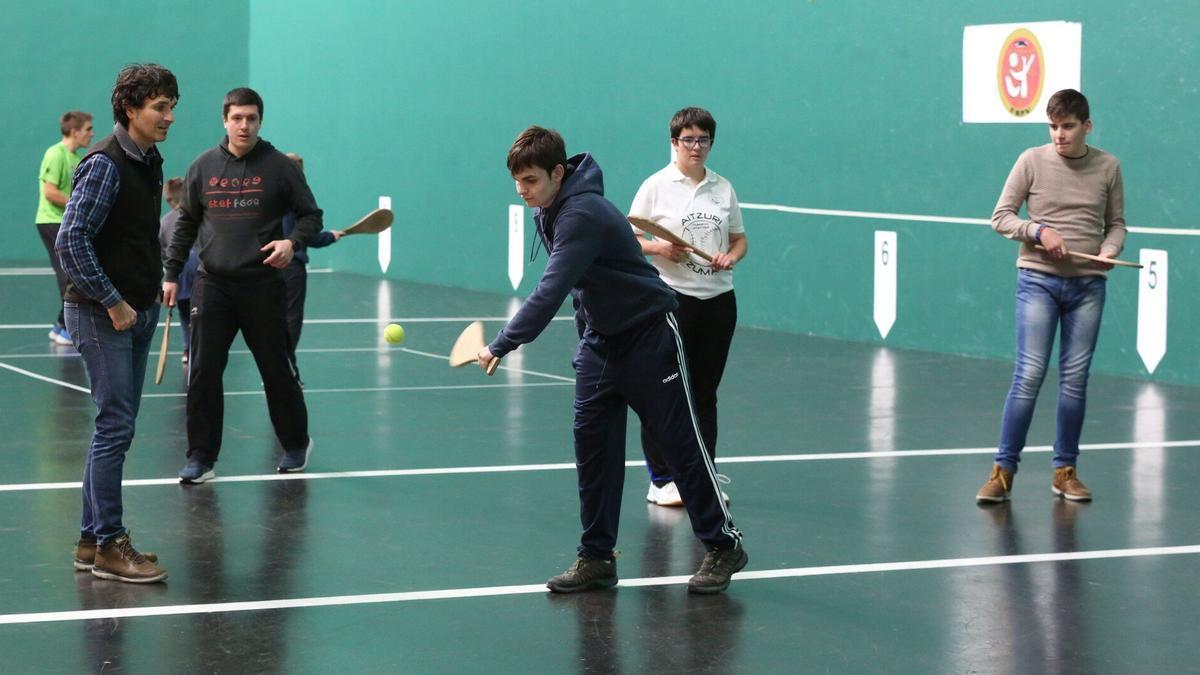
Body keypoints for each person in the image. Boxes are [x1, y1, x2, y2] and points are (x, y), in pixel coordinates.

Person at [478, 126, 747, 594]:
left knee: (680, 446)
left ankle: (724, 546)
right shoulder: (552, 207)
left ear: (558, 173)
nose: (523, 192)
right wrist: (588, 345)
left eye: (531, 181)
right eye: (517, 182)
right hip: (601, 344)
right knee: (593, 451)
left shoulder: (581, 213)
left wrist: (502, 342)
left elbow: (552, 289)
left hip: (649, 338)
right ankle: (597, 558)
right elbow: (585, 287)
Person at [56, 63, 178, 583]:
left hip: (138, 309)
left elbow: (132, 235)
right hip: (101, 313)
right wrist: (114, 301)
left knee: (116, 428)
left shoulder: (148, 160)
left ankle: (90, 540)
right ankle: (109, 543)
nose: (168, 116)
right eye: (159, 107)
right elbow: (70, 240)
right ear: (130, 109)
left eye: (172, 106)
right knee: (114, 427)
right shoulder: (104, 163)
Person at [164, 87, 323, 483]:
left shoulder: (279, 167)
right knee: (202, 372)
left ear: (260, 121)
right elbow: (185, 223)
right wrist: (170, 273)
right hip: (212, 286)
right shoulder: (202, 167)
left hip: (263, 286)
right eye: (237, 118)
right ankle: (201, 457)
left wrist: (292, 242)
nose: (244, 125)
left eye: (251, 118)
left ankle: (295, 443)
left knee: (276, 370)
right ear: (225, 120)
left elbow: (311, 216)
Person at [977, 89, 1126, 504]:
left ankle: (1065, 472)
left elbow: (1116, 225)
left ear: (1087, 126)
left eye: (1068, 127)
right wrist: (1039, 231)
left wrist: (1110, 250)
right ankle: (1002, 472)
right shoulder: (1031, 161)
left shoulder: (1109, 167)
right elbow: (1001, 218)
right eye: (1053, 126)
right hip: (1038, 280)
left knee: (1075, 382)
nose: (1059, 135)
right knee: (1028, 376)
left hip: (1088, 287)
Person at [628, 107, 747, 508]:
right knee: (666, 392)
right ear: (674, 143)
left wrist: (732, 256)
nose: (696, 147)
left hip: (719, 303)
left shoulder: (723, 188)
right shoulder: (655, 186)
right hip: (672, 301)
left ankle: (703, 474)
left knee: (705, 393)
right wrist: (659, 247)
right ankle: (662, 479)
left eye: (704, 140)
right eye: (688, 140)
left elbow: (739, 240)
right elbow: (630, 239)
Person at [280, 152, 342, 383]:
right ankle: (285, 369)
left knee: (272, 320)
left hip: (267, 267)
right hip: (292, 267)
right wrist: (331, 237)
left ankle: (282, 369)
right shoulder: (297, 198)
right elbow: (308, 236)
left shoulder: (270, 194)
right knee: (291, 319)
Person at [36, 110, 94, 345]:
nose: (91, 133)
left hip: (67, 224)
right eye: (88, 129)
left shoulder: (76, 158)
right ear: (74, 131)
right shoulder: (55, 154)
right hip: (51, 222)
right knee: (68, 275)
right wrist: (75, 204)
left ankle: (61, 325)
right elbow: (50, 192)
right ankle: (68, 327)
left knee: (75, 274)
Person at [158, 177, 200, 363]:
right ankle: (197, 348)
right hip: (200, 270)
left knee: (185, 313)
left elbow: (161, 250)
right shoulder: (199, 216)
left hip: (178, 274)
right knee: (202, 313)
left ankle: (187, 350)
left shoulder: (164, 222)